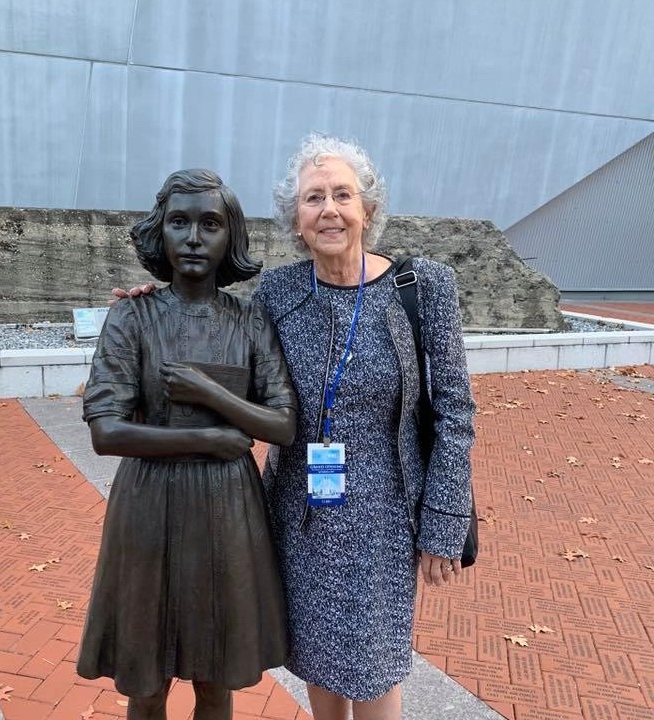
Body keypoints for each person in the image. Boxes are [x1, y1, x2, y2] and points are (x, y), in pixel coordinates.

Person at [118, 134, 476, 720]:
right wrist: (154, 303)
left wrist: (443, 522)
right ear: (296, 218)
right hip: (298, 508)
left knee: (373, 665)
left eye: (342, 195)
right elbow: (222, 341)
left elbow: (456, 412)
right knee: (314, 658)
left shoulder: (422, 287)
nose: (328, 209)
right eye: (313, 198)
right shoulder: (279, 292)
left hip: (384, 514)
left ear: (368, 208)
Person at [79, 168, 297, 720]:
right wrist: (210, 437)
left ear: (231, 236)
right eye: (180, 222)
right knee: (145, 682)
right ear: (162, 232)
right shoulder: (133, 314)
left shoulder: (250, 322)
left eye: (210, 223)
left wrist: (207, 392)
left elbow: (283, 423)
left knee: (214, 677)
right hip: (148, 509)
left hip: (226, 511)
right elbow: (105, 430)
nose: (194, 238)